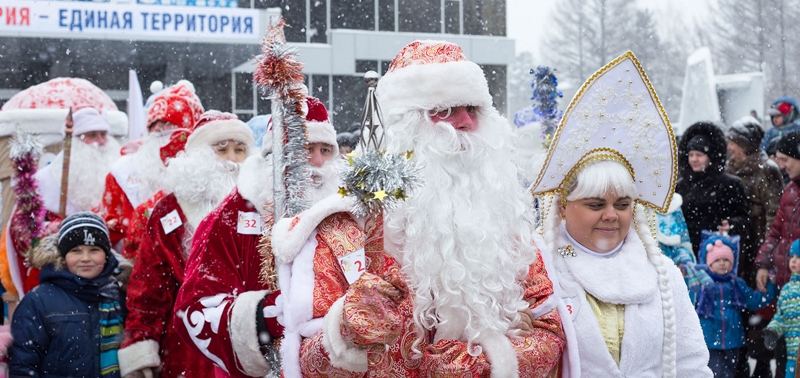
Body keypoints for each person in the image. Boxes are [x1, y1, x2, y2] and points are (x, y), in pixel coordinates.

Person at [530, 52, 712, 376]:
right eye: (596, 205)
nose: (612, 215)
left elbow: (691, 364)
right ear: (562, 206)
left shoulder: (663, 273)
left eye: (623, 205)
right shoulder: (535, 272)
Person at [172, 96, 340, 377]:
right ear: (277, 153)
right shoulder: (230, 217)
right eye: (307, 148)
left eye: (326, 149)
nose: (318, 162)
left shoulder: (342, 214)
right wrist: (271, 314)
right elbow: (194, 310)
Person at [118, 111, 254, 378]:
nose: (231, 159)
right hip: (187, 340)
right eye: (221, 149)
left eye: (240, 150)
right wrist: (141, 341)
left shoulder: (260, 204)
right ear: (199, 155)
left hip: (248, 336)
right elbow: (149, 284)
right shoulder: (170, 210)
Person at [4, 107, 122, 297]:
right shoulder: (43, 181)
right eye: (92, 135)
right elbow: (22, 231)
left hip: (108, 278)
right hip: (60, 279)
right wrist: (53, 229)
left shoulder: (119, 177)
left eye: (103, 134)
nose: (100, 141)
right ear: (74, 141)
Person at [8, 212, 124, 377]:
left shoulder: (118, 296)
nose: (85, 258)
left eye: (94, 250)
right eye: (76, 251)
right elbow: (23, 364)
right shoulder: (39, 301)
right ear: (63, 256)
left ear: (106, 255)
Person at [96, 80, 204, 251]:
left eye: (169, 124)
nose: (159, 129)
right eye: (154, 124)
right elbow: (109, 228)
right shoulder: (121, 173)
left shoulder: (208, 174)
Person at [694, 235, 776, 377]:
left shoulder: (736, 284)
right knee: (715, 371)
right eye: (717, 260)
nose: (722, 263)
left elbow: (754, 300)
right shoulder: (701, 285)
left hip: (733, 338)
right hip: (709, 339)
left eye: (726, 259)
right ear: (709, 263)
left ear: (732, 262)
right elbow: (688, 302)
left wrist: (771, 287)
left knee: (730, 371)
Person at [676, 121, 750, 255]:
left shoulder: (730, 185)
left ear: (710, 157)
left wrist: (731, 225)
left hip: (719, 253)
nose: (694, 159)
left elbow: (744, 219)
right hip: (686, 253)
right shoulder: (680, 186)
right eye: (691, 155)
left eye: (699, 155)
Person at [657, 193, 711, 291]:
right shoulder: (627, 204)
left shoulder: (672, 203)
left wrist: (683, 259)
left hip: (671, 284)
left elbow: (683, 243)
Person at [765, 239, 800, 378]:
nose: (793, 260)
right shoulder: (786, 289)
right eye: (792, 257)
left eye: (799, 257)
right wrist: (773, 330)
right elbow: (781, 316)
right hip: (792, 357)